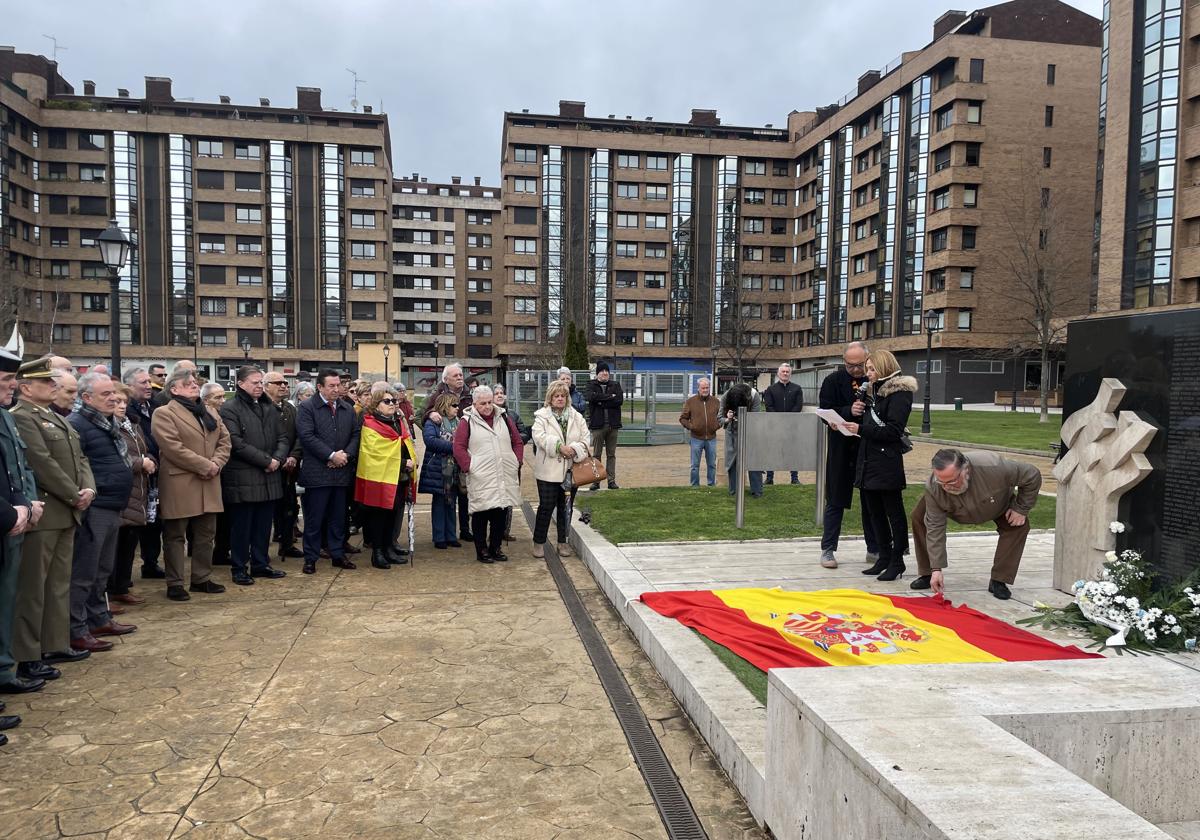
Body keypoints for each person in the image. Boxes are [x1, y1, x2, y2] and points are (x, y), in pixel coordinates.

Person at [10, 357, 94, 680]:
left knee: (58, 585)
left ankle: (55, 643)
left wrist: (89, 488)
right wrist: (75, 493)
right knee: (34, 588)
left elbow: (80, 457)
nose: (53, 387)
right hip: (48, 511)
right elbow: (42, 464)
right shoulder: (24, 417)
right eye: (46, 383)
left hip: (67, 511)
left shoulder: (56, 418)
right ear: (26, 387)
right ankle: (30, 653)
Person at [909, 448, 1043, 600]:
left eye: (952, 481)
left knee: (1018, 526)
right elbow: (935, 527)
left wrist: (1021, 508)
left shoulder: (995, 467)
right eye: (942, 482)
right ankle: (928, 574)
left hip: (997, 502)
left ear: (966, 469)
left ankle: (999, 580)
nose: (947, 487)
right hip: (954, 508)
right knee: (920, 518)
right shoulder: (934, 487)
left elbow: (1032, 475)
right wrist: (936, 568)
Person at [67, 373, 135, 650]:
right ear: (86, 398)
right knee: (84, 571)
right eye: (106, 394)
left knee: (102, 569)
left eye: (114, 394)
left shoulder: (108, 423)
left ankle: (98, 617)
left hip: (113, 504)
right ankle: (76, 628)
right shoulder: (78, 424)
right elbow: (76, 467)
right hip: (95, 507)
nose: (113, 399)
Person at [151, 368, 231, 602]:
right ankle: (175, 582)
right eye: (188, 384)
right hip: (181, 481)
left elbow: (225, 441)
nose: (194, 385)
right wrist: (205, 466)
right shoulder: (164, 413)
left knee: (206, 533)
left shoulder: (209, 411)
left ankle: (201, 578)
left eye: (195, 383)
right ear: (174, 390)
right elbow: (172, 447)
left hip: (209, 481)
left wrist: (216, 463)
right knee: (175, 535)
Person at [842, 350, 916, 582]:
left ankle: (897, 560)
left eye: (872, 369)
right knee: (874, 512)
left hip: (886, 462)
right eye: (868, 369)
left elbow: (893, 430)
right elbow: (866, 423)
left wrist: (861, 429)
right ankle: (883, 556)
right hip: (868, 460)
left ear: (884, 367)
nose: (868, 374)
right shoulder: (873, 392)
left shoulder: (899, 393)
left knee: (893, 512)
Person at [219, 366, 289, 586]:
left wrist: (277, 459)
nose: (259, 386)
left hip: (269, 477)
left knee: (263, 525)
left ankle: (260, 564)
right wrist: (266, 461)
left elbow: (283, 437)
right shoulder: (230, 408)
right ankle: (239, 567)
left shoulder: (269, 407)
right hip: (244, 477)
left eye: (261, 382)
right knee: (242, 526)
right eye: (254, 382)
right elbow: (235, 443)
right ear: (240, 384)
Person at [0, 347, 44, 697]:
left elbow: (21, 466)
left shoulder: (5, 416)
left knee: (8, 599)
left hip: (16, 520)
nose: (11, 387)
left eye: (12, 380)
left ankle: (3, 670)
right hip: (6, 519)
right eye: (4, 381)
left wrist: (26, 504)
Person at [818, 341, 879, 570]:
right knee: (835, 499)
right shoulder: (832, 381)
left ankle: (874, 548)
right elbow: (824, 411)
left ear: (867, 359)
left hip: (868, 447)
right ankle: (828, 549)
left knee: (871, 500)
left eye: (859, 365)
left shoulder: (874, 379)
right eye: (849, 365)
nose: (855, 369)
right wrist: (847, 412)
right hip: (841, 447)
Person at [295, 369, 360, 575]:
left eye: (338, 385)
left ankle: (337, 554)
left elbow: (356, 435)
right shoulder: (307, 408)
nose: (336, 389)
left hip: (341, 473)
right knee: (315, 519)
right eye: (331, 386)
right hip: (318, 474)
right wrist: (331, 455)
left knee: (338, 518)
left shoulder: (346, 408)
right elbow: (307, 436)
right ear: (320, 387)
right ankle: (310, 558)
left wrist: (345, 456)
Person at [453, 385, 523, 564]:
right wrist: (470, 467)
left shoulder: (504, 417)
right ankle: (481, 550)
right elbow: (458, 447)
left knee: (500, 513)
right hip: (480, 475)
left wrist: (517, 461)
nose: (487, 406)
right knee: (481, 514)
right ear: (474, 404)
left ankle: (496, 547)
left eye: (490, 402)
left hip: (503, 473)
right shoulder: (466, 421)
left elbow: (517, 441)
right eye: (483, 403)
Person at [354, 387, 416, 569]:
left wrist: (410, 459)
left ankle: (389, 548)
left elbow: (404, 442)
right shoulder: (370, 423)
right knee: (378, 516)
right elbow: (375, 453)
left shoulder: (397, 421)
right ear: (376, 404)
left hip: (398, 477)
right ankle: (378, 552)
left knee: (393, 514)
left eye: (394, 401)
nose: (392, 404)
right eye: (387, 401)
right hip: (379, 478)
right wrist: (404, 462)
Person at [107, 385, 156, 608]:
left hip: (138, 489)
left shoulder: (132, 424)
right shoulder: (105, 426)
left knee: (128, 541)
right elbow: (114, 456)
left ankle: (121, 587)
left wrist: (149, 460)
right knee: (113, 545)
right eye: (116, 401)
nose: (121, 406)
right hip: (119, 490)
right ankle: (108, 592)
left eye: (124, 401)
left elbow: (143, 448)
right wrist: (140, 463)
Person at [531, 380, 589, 558]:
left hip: (570, 471)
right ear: (550, 398)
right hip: (548, 471)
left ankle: (563, 542)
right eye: (556, 396)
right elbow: (538, 436)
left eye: (563, 396)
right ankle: (539, 542)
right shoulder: (541, 416)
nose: (560, 399)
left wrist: (574, 449)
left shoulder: (576, 416)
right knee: (546, 507)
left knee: (566, 508)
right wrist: (558, 447)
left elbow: (586, 438)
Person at [123, 367, 165, 580]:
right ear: (129, 386)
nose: (149, 386)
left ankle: (151, 562)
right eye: (143, 383)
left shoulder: (156, 406)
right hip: (138, 474)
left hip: (156, 470)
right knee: (135, 526)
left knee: (154, 521)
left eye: (149, 382)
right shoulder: (126, 411)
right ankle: (123, 577)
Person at [264, 373, 302, 560]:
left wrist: (294, 456)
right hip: (268, 467)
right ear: (266, 386)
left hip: (289, 468)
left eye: (286, 383)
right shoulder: (262, 407)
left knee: (289, 507)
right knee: (267, 510)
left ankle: (286, 544)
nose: (284, 386)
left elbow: (298, 435)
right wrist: (276, 459)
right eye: (278, 383)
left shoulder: (289, 409)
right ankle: (261, 550)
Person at [419, 394, 462, 550]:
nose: (458, 408)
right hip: (438, 467)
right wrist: (454, 447)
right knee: (439, 503)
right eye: (454, 405)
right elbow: (430, 441)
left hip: (454, 468)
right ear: (445, 405)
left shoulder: (458, 422)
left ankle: (451, 535)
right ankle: (439, 537)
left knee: (451, 502)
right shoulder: (433, 422)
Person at [493, 383, 530, 541]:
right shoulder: (487, 415)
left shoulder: (513, 415)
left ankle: (505, 531)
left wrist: (512, 438)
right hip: (493, 463)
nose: (500, 395)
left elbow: (524, 435)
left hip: (511, 461)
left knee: (509, 496)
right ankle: (493, 531)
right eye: (497, 393)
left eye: (502, 393)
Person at [763, 363, 804, 485]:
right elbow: (768, 406)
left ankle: (794, 478)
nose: (785, 373)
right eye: (783, 371)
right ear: (778, 373)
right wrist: (779, 419)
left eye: (787, 372)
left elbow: (799, 406)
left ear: (790, 374)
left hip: (792, 426)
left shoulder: (797, 388)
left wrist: (789, 419)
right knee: (772, 451)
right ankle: (770, 478)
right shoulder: (771, 389)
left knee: (793, 452)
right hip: (775, 425)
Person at [584, 361, 623, 491]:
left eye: (607, 371)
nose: (605, 373)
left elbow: (619, 400)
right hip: (597, 426)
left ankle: (611, 480)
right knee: (596, 454)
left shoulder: (615, 385)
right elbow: (591, 397)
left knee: (611, 454)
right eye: (602, 371)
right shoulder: (591, 385)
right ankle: (596, 481)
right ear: (597, 374)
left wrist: (601, 401)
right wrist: (609, 398)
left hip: (613, 425)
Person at [720, 383, 763, 498]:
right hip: (732, 433)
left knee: (754, 461)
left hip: (751, 433)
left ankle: (757, 491)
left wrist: (742, 418)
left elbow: (756, 418)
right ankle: (734, 491)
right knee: (732, 462)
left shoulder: (754, 396)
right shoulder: (725, 396)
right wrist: (728, 419)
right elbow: (719, 419)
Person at [680, 378, 720, 487]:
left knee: (712, 464)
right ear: (698, 388)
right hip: (696, 438)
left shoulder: (716, 401)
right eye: (703, 388)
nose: (705, 390)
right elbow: (683, 418)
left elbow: (721, 417)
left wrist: (716, 426)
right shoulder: (690, 402)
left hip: (711, 438)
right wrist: (692, 427)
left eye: (707, 387)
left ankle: (711, 484)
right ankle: (694, 486)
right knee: (694, 465)